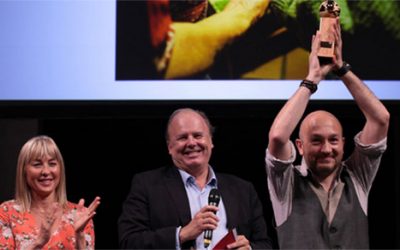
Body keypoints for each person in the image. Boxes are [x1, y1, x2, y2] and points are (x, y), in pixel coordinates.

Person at [265, 18, 390, 249]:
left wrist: (342, 69)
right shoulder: (285, 184)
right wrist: (312, 79)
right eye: (316, 141)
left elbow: (381, 119)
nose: (326, 149)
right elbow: (277, 138)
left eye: (333, 140)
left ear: (343, 144)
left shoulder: (357, 177)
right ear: (300, 146)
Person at [118, 108, 273, 249]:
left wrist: (250, 249)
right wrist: (182, 234)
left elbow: (265, 244)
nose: (192, 143)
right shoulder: (147, 185)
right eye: (182, 137)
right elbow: (129, 242)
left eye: (198, 135)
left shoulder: (243, 189)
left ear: (211, 141)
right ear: (169, 147)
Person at [0, 135, 101, 249]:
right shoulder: (7, 212)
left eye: (52, 164)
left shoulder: (80, 214)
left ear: (60, 169)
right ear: (24, 170)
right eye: (37, 164)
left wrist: (79, 235)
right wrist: (38, 242)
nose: (46, 171)